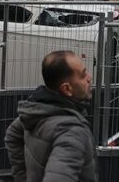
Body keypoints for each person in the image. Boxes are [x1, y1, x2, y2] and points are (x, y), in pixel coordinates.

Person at [5, 50, 95, 182]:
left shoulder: (38, 111)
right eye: (83, 75)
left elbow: (12, 135)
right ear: (67, 89)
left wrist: (22, 177)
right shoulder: (71, 131)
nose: (89, 77)